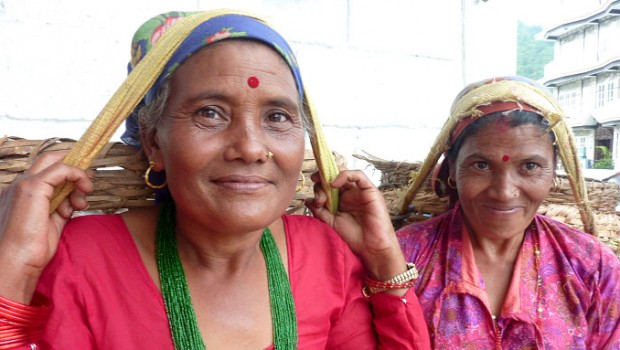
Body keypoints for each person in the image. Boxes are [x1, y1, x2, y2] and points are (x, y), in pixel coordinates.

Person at [0, 10, 430, 349]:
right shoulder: (86, 258)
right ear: (153, 142)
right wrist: (14, 265)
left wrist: (384, 260)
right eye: (210, 112)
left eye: (277, 117)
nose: (250, 147)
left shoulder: (323, 255)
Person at [396, 76, 620, 348]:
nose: (504, 192)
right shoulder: (405, 257)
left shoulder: (591, 265)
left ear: (554, 171)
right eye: (480, 165)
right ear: (452, 169)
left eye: (530, 166)